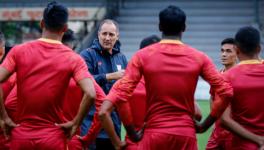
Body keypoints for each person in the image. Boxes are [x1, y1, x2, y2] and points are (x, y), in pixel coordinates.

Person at [99, 5, 233, 150]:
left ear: (160, 26)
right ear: (184, 27)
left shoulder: (142, 56)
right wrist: (204, 126)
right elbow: (226, 91)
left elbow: (121, 95)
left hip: (154, 134)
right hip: (185, 134)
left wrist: (133, 134)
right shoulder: (199, 57)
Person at [0, 2, 96, 150]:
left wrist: (4, 118)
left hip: (21, 136)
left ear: (42, 23)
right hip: (52, 137)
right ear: (64, 28)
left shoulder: (18, 51)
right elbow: (90, 93)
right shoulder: (73, 58)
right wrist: (75, 122)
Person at [79, 19, 127, 150]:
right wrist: (109, 76)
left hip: (114, 124)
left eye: (111, 35)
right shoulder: (87, 55)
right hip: (91, 123)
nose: (107, 38)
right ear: (98, 34)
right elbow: (83, 82)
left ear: (117, 36)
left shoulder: (121, 58)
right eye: (104, 34)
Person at [221, 26, 264, 150]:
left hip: (241, 145)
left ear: (236, 49)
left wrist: (259, 140)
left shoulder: (226, 77)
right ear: (259, 48)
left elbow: (225, 119)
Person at [206, 38, 237, 150]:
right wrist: (214, 120)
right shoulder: (217, 75)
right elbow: (212, 97)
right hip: (218, 131)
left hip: (235, 132)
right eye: (222, 51)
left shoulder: (241, 75)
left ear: (237, 53)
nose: (224, 54)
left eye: (228, 51)